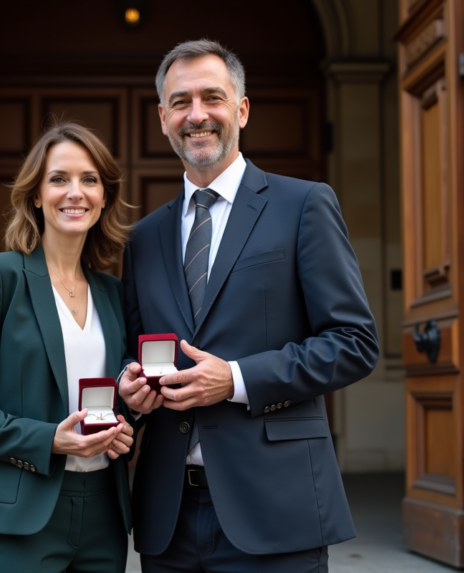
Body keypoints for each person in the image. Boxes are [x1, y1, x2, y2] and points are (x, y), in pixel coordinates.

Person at [118, 40, 380, 573]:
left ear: (241, 109)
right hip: (166, 519)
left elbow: (354, 344)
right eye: (181, 101)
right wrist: (129, 387)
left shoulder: (304, 205)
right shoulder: (143, 239)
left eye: (212, 98)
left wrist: (235, 379)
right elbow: (133, 351)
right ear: (163, 118)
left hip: (276, 509)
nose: (197, 115)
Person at [0, 122, 135, 572]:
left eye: (89, 180)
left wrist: (128, 421)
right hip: (22, 512)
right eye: (59, 179)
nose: (75, 192)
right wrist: (50, 440)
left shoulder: (113, 292)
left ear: (104, 197)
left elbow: (115, 394)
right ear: (35, 196)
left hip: (106, 511)